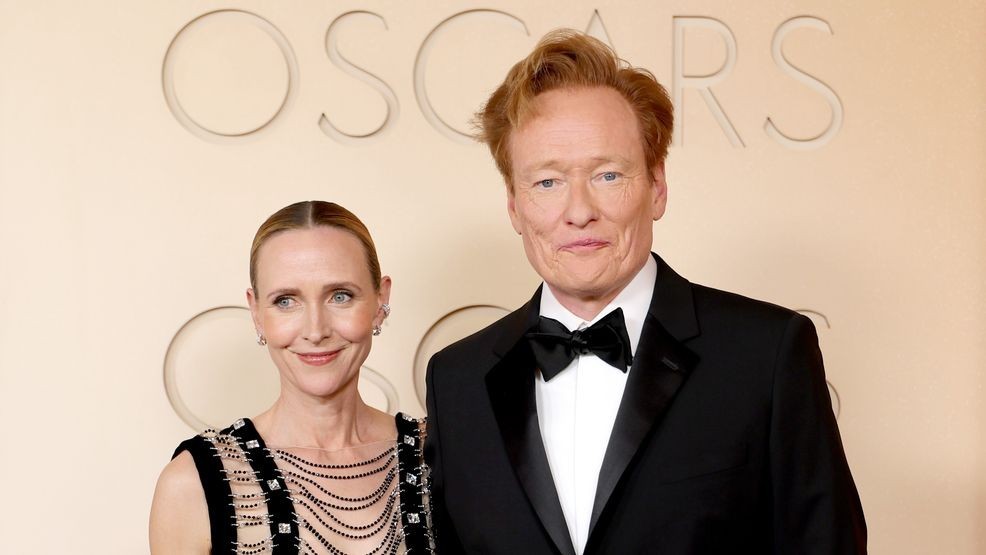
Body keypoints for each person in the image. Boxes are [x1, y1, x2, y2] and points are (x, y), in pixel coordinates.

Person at [424, 30, 866, 554]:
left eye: (608, 175)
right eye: (547, 182)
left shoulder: (766, 353)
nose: (579, 211)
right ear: (514, 206)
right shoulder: (457, 379)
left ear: (657, 187)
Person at [150, 201, 434, 554]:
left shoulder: (443, 455)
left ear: (380, 300)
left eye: (340, 296)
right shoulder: (191, 484)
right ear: (256, 312)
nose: (315, 330)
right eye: (286, 301)